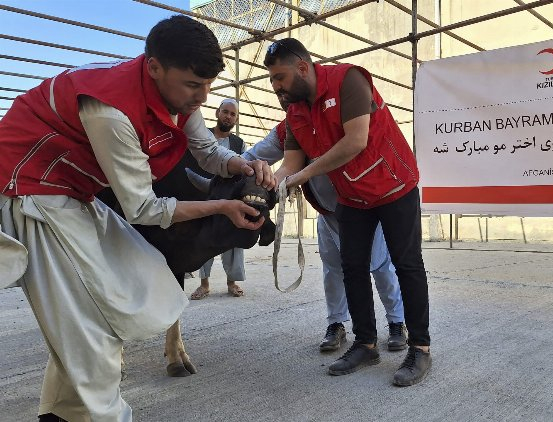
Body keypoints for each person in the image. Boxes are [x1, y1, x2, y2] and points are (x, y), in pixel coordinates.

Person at [0, 16, 275, 422]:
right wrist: (221, 207)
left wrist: (243, 166)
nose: (203, 97)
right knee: (92, 320)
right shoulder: (111, 112)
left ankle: (62, 412)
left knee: (144, 272)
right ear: (155, 67)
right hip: (30, 190)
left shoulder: (180, 99)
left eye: (208, 85)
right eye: (193, 85)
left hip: (74, 192)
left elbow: (206, 151)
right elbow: (143, 209)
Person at [265, 38, 431, 386]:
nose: (276, 86)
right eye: (272, 80)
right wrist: (271, 184)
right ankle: (366, 344)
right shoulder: (294, 113)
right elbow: (290, 164)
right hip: (353, 196)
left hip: (393, 186)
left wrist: (301, 176)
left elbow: (356, 140)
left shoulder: (347, 80)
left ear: (302, 67)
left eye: (280, 77)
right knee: (352, 267)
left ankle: (420, 348)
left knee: (407, 265)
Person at [243, 96, 408, 353]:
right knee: (333, 269)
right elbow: (253, 156)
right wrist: (228, 166)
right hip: (327, 213)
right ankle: (336, 323)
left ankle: (397, 322)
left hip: (364, 209)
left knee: (380, 266)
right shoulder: (288, 128)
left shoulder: (342, 115)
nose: (282, 93)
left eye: (285, 83)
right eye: (276, 85)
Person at [190, 98, 248, 300]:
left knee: (233, 240)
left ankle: (232, 282)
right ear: (217, 113)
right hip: (204, 197)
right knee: (203, 238)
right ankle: (204, 285)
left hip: (230, 198)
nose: (228, 116)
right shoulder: (201, 137)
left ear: (236, 119)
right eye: (225, 112)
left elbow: (244, 171)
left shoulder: (239, 144)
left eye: (233, 114)